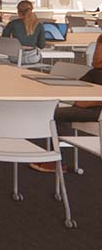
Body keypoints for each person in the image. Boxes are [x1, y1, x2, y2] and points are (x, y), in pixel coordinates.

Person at [30, 34, 102, 173]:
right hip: (90, 102)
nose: (95, 55)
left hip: (96, 110)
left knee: (53, 114)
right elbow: (94, 65)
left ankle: (54, 161)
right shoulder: (96, 70)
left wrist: (87, 102)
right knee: (54, 110)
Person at [1, 0, 45, 64]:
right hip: (33, 58)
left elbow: (4, 40)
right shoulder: (39, 25)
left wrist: (5, 30)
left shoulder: (13, 24)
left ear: (18, 11)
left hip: (15, 57)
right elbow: (41, 45)